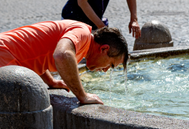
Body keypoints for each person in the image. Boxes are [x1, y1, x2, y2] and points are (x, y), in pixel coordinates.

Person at [0, 19, 129, 105]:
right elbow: (62, 55)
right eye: (110, 65)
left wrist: (51, 81)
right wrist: (82, 96)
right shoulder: (83, 33)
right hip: (4, 53)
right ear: (104, 49)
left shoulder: (81, 46)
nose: (106, 70)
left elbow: (38, 54)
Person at [61, 0, 141, 39]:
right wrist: (102, 26)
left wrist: (134, 20)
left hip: (95, 22)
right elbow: (82, 2)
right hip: (73, 20)